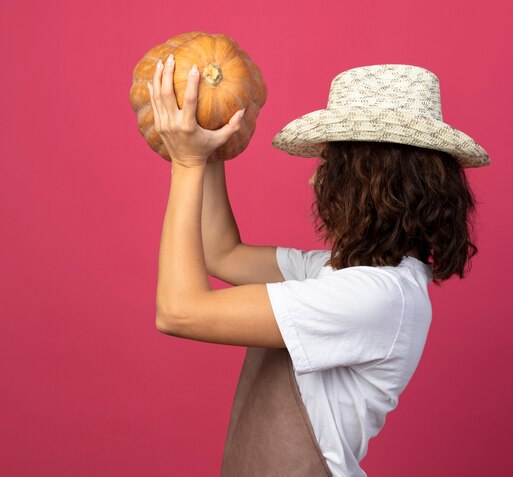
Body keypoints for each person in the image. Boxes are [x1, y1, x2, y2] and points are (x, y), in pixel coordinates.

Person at [148, 58, 490, 476]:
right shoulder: (339, 275)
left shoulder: (376, 297)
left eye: (330, 167)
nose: (316, 183)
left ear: (370, 182)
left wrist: (186, 165)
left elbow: (179, 311)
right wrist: (212, 146)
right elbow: (223, 254)